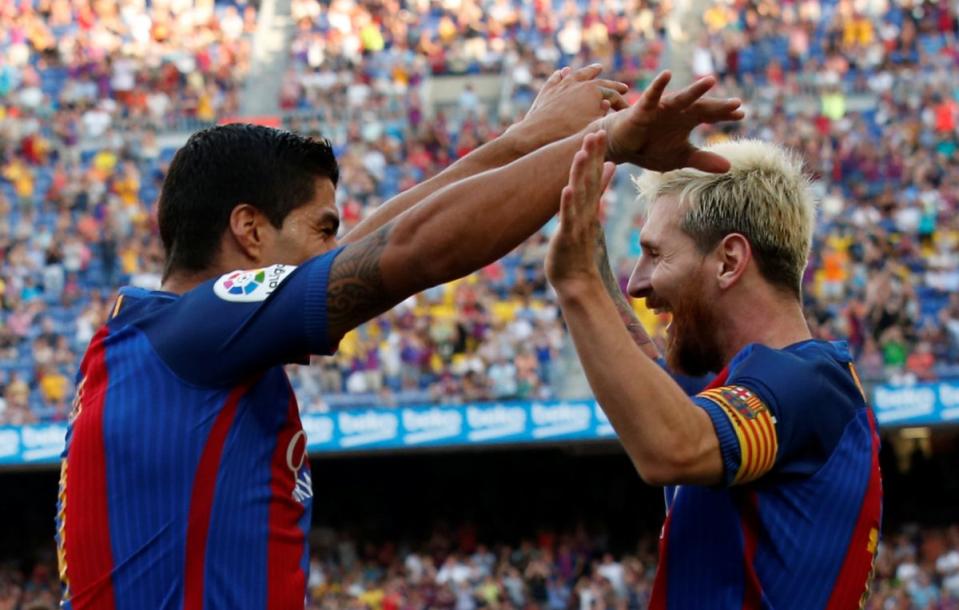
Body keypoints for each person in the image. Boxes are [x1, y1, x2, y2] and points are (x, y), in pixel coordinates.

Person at [56, 69, 743, 609]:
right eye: (321, 229)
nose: (335, 246)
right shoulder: (201, 328)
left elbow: (372, 245)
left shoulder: (170, 338)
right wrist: (608, 144)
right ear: (250, 231)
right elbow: (406, 251)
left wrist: (519, 143)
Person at [544, 138, 882, 608]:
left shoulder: (809, 385)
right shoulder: (761, 384)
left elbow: (674, 446)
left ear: (728, 261)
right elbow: (655, 385)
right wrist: (589, 256)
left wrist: (578, 284)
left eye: (656, 255)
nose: (637, 284)